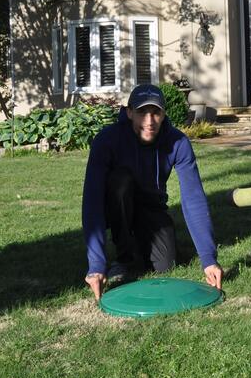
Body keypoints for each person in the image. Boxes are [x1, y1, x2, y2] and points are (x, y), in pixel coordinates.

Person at [82, 84, 223, 301]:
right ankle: (124, 255)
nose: (150, 121)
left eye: (156, 112)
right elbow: (92, 201)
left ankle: (140, 240)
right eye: (142, 112)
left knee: (165, 265)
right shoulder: (107, 140)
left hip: (151, 206)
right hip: (116, 203)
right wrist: (96, 265)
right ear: (129, 112)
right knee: (122, 183)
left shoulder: (178, 142)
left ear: (164, 113)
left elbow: (193, 198)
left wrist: (208, 259)